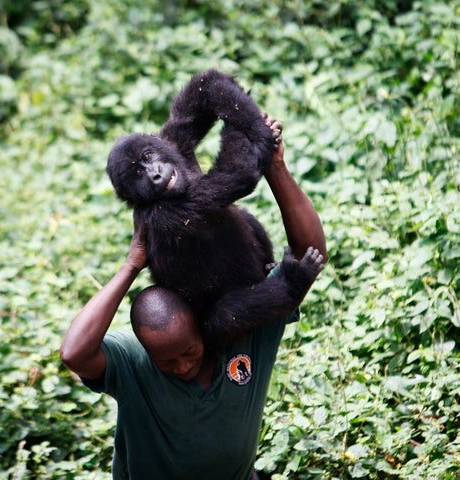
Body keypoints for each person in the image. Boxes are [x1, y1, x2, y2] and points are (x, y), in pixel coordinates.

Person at [60, 116, 327, 479]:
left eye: (188, 352)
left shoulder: (239, 331)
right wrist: (132, 263)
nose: (182, 366)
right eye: (167, 362)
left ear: (197, 326)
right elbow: (73, 352)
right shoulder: (137, 363)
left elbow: (310, 252)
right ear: (146, 351)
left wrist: (275, 166)